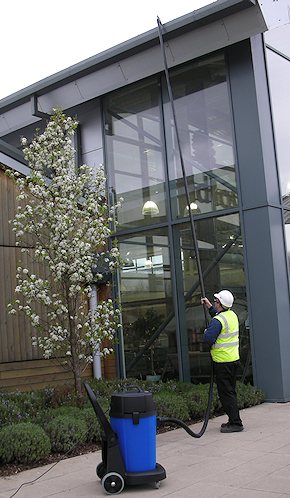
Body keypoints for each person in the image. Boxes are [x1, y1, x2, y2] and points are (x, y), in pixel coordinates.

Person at [201, 290, 244, 433]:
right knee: (230, 392)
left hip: (222, 363)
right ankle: (233, 420)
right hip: (233, 361)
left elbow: (208, 338)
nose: (214, 302)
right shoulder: (231, 315)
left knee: (226, 394)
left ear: (220, 304)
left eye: (215, 301)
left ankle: (236, 423)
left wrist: (206, 332)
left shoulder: (218, 321)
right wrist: (209, 307)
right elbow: (220, 319)